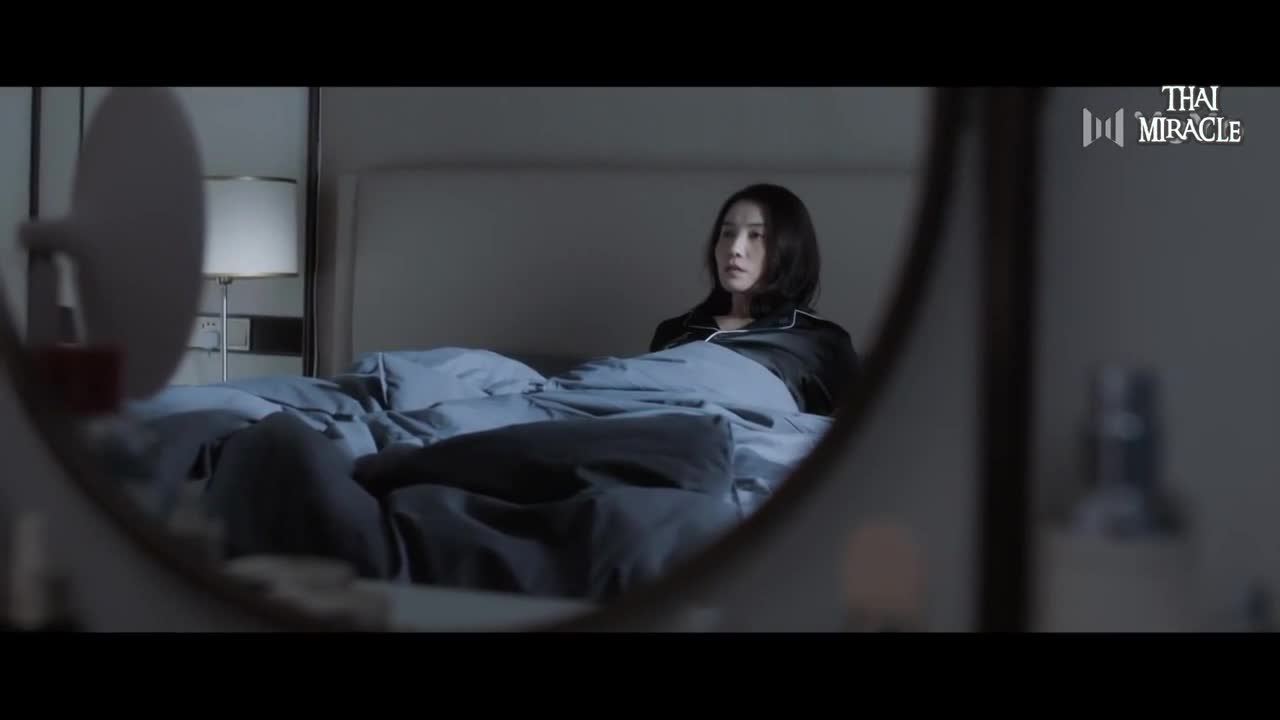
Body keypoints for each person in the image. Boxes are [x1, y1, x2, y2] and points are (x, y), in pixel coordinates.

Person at [649, 183, 859, 417]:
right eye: (728, 233)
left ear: (789, 247)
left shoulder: (820, 343)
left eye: (756, 235)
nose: (735, 249)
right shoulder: (674, 330)